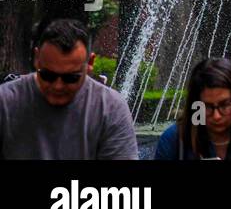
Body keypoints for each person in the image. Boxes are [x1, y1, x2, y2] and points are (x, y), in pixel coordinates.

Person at [0, 17, 138, 159]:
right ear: (36, 58)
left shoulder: (110, 108)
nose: (58, 86)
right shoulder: (5, 102)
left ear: (90, 63)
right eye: (48, 75)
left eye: (70, 78)